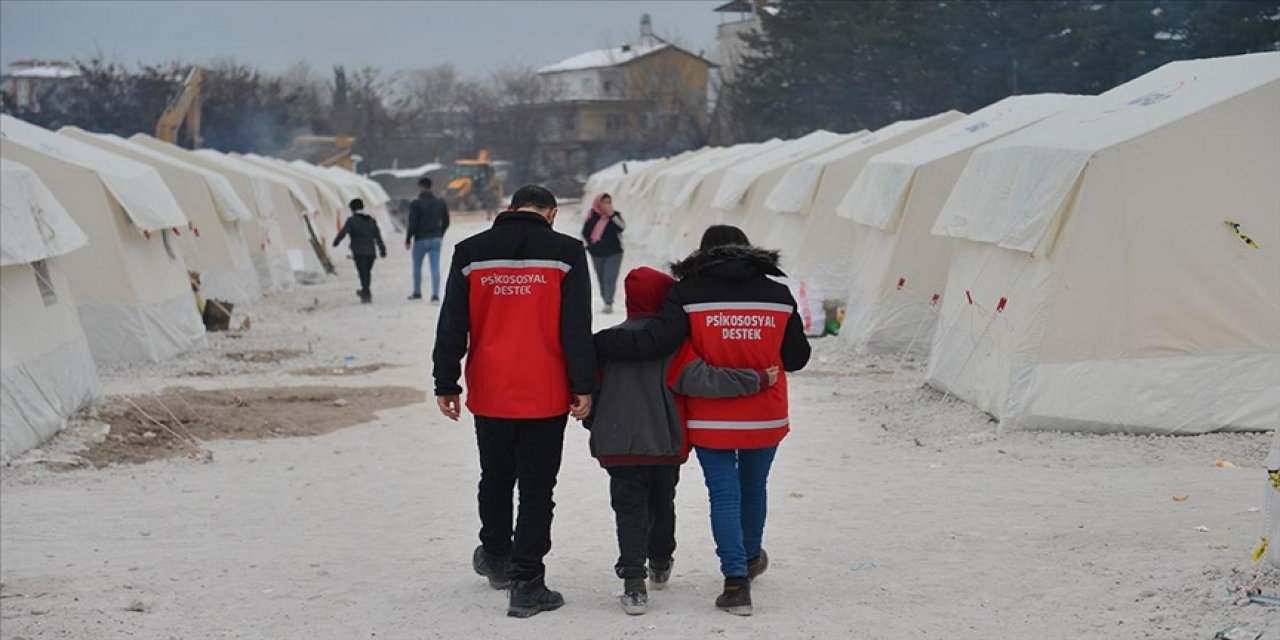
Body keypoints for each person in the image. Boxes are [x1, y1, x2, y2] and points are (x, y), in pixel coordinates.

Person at [593, 225, 811, 616]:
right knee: (755, 486)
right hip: (766, 413)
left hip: (711, 417)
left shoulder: (689, 293)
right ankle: (750, 556)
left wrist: (596, 342)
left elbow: (657, 342)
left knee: (724, 494)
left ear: (705, 253)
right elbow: (796, 358)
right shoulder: (778, 295)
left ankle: (735, 583)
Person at [432, 185, 595, 619]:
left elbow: (452, 322)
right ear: (552, 213)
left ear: (509, 209)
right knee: (538, 488)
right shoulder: (567, 252)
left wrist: (445, 381)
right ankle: (528, 581)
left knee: (496, 477)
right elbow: (576, 326)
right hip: (546, 390)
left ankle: (496, 556)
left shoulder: (471, 252)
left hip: (491, 389)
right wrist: (584, 383)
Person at [332, 198, 387, 304]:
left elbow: (343, 232)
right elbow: (377, 236)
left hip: (359, 251)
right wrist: (382, 249)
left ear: (352, 209)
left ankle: (366, 292)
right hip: (371, 252)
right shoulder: (371, 220)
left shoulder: (351, 220)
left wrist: (336, 242)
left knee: (363, 272)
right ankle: (365, 291)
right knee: (367, 272)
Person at [405, 177, 450, 302]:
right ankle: (435, 295)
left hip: (420, 239)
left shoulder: (415, 204)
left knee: (417, 267)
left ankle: (417, 292)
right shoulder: (440, 202)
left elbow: (412, 223)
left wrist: (408, 238)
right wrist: (440, 234)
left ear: (421, 187)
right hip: (435, 238)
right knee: (435, 268)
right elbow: (446, 221)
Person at [581, 193, 625, 314]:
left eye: (609, 202)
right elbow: (585, 232)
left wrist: (612, 216)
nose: (607, 205)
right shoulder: (591, 216)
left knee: (609, 277)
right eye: (604, 202)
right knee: (601, 277)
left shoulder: (615, 216)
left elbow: (621, 227)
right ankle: (605, 298)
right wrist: (591, 244)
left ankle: (608, 302)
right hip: (597, 253)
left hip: (614, 252)